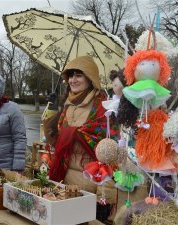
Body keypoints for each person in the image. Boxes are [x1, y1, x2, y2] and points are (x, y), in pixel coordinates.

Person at [42, 56, 119, 222]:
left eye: (78, 75)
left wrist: (104, 196)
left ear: (90, 77)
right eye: (70, 76)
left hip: (89, 187)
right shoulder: (68, 104)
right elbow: (55, 141)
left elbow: (110, 155)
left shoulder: (103, 108)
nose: (72, 80)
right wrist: (51, 110)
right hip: (64, 183)